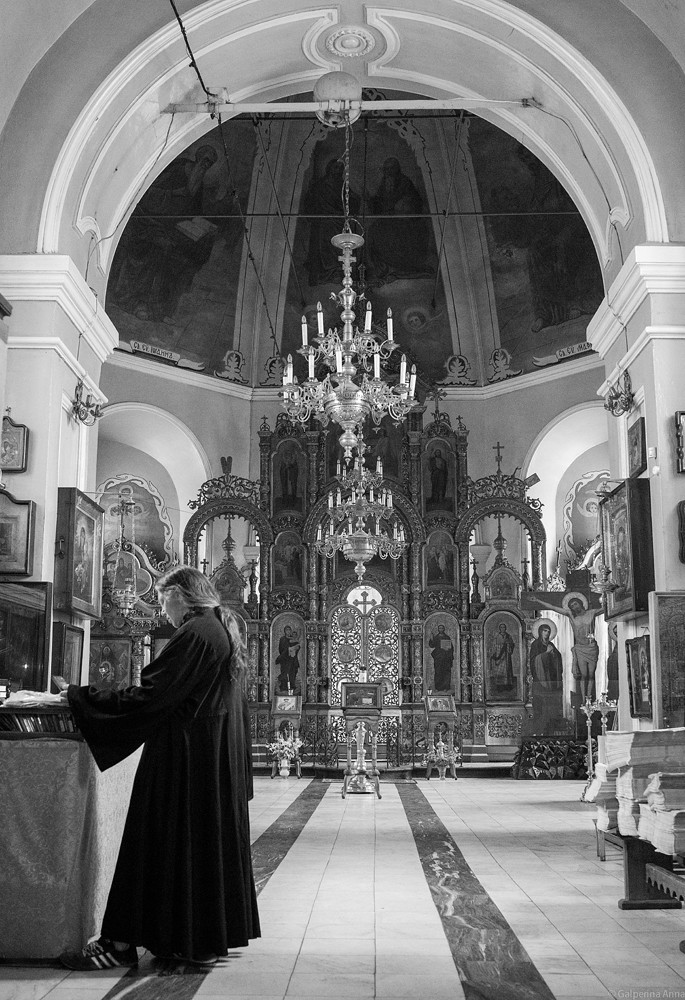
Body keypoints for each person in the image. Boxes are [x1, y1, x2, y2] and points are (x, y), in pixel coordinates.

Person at [54, 566, 260, 969]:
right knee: (194, 848)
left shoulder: (196, 632)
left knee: (156, 842)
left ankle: (120, 944)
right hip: (206, 761)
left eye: (164, 601)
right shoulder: (219, 628)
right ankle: (198, 938)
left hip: (185, 764)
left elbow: (153, 696)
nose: (164, 611)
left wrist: (81, 698)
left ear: (180, 595)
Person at [528, 590, 601, 701]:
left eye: (575, 604)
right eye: (572, 606)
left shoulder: (592, 613)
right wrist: (537, 600)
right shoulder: (571, 615)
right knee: (583, 675)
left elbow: (606, 608)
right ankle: (583, 700)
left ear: (581, 603)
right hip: (580, 648)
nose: (574, 607)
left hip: (591, 647)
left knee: (591, 675)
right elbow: (553, 607)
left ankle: (589, 698)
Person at [490, 621, 516, 694]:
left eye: (504, 627)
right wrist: (496, 654)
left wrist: (509, 645)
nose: (502, 628)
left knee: (507, 671)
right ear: (499, 628)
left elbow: (512, 644)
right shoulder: (497, 636)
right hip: (499, 654)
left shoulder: (508, 636)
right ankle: (499, 686)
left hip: (506, 656)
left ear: (505, 628)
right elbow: (494, 646)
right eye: (501, 627)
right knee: (499, 671)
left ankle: (507, 686)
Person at [275, 625, 301, 693]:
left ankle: (292, 687)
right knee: (285, 673)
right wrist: (288, 650)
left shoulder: (293, 638)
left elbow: (298, 647)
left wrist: (294, 648)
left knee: (292, 673)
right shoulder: (283, 639)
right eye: (287, 630)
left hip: (293, 660)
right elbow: (281, 649)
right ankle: (284, 687)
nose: (288, 631)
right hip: (285, 660)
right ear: (284, 631)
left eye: (289, 630)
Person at [428, 624, 454, 691]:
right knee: (438, 671)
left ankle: (446, 687)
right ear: (438, 629)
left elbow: (451, 647)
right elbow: (432, 645)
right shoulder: (436, 637)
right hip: (438, 657)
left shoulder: (447, 637)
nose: (441, 629)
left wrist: (448, 650)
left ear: (444, 629)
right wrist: (431, 639)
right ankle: (438, 687)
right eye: (440, 628)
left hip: (446, 657)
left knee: (446, 671)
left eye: (442, 628)